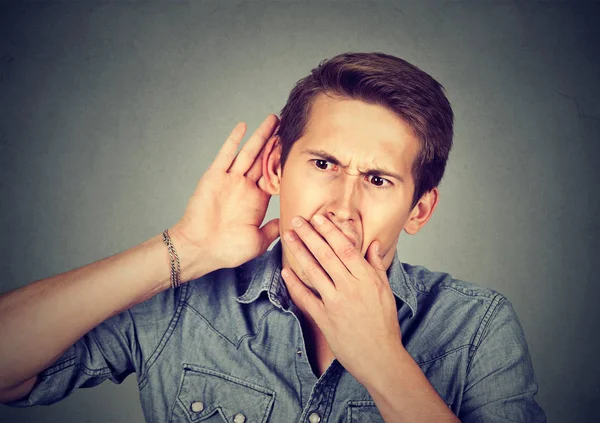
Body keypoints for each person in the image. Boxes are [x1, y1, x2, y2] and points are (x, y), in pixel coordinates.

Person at [0, 52, 546, 422]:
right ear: (278, 170)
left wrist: (381, 359)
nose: (342, 206)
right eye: (324, 163)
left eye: (378, 180)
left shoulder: (477, 326)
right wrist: (188, 247)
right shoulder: (186, 297)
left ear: (419, 209)